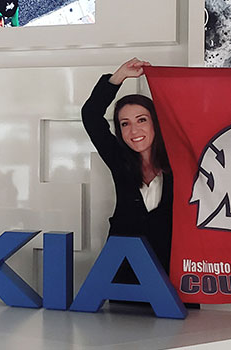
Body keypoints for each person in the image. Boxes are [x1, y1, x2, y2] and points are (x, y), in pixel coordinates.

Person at [81, 58, 174, 287]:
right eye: (124, 123)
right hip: (124, 273)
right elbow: (91, 115)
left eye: (141, 120)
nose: (134, 130)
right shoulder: (119, 160)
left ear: (156, 123)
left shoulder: (179, 164)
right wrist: (118, 77)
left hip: (174, 278)